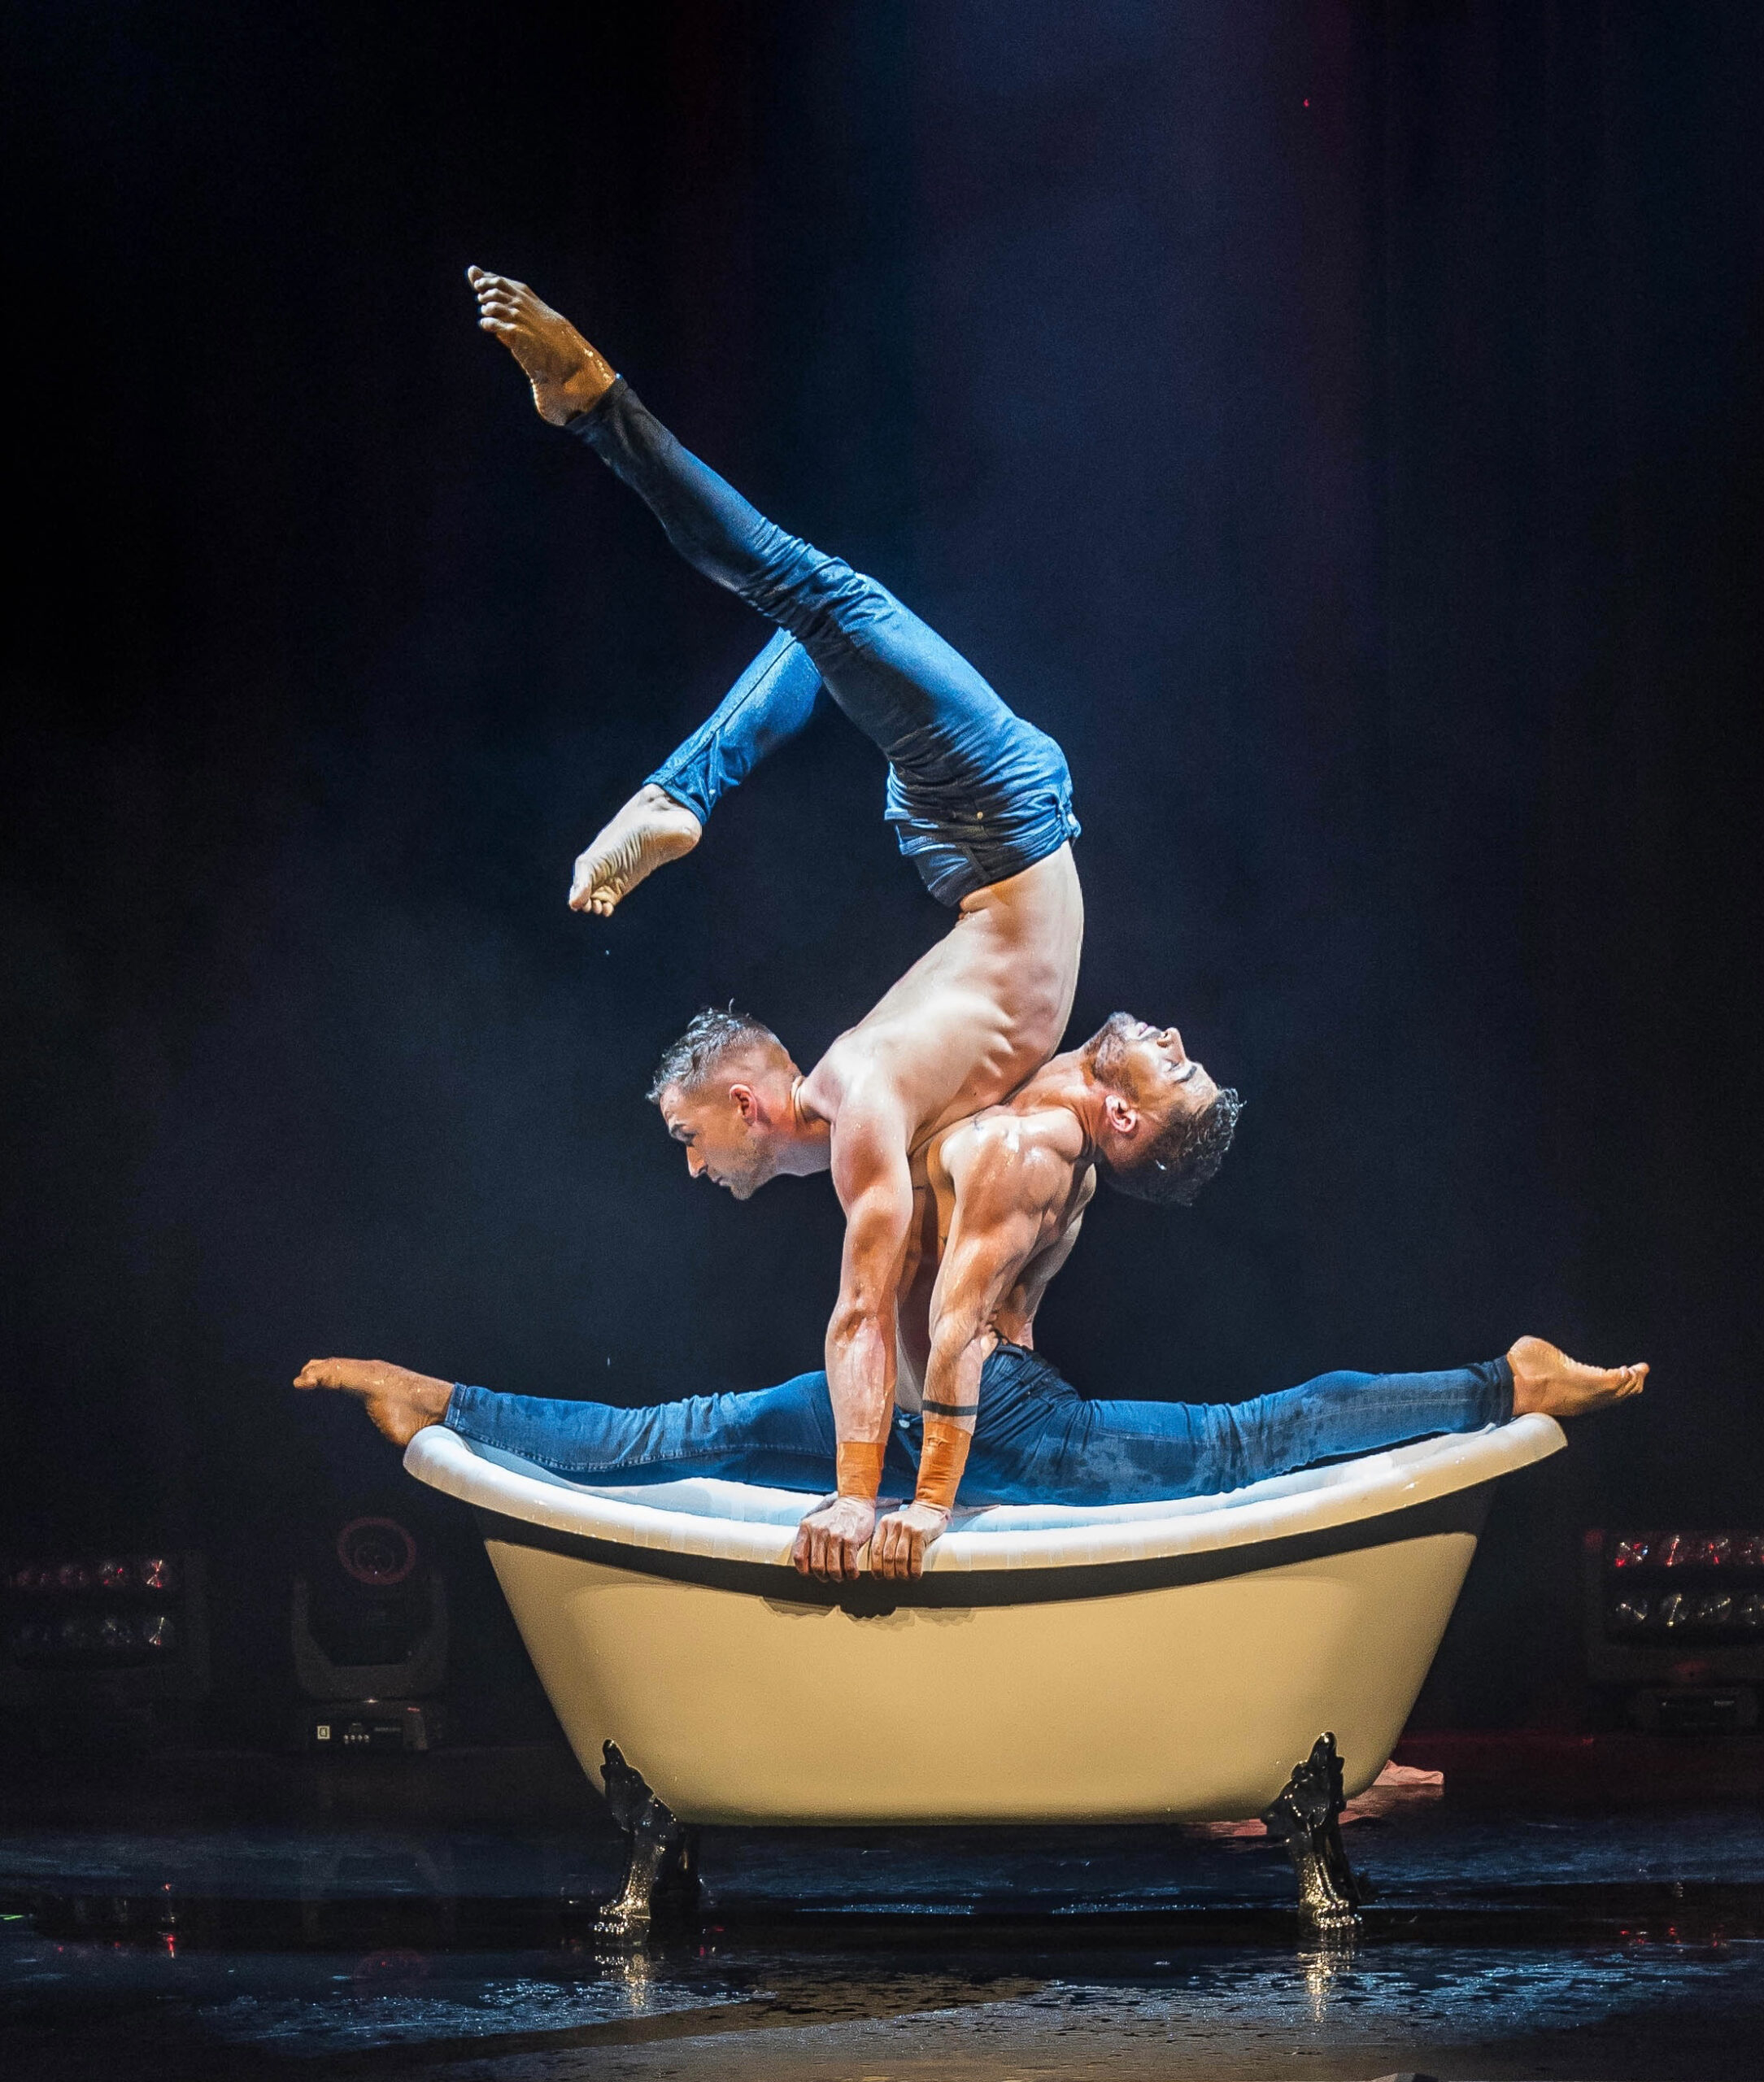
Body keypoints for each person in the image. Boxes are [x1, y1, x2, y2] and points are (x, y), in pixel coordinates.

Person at [464, 266, 1236, 1579]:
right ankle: (598, 427)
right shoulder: (960, 1111)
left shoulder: (885, 1111)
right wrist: (888, 1487)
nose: (692, 1170)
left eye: (686, 1144)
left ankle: (666, 734)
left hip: (981, 827)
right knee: (813, 612)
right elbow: (904, 1308)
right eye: (689, 1140)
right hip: (983, 827)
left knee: (817, 606)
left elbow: (870, 1309)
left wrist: (865, 1497)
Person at [297, 1013, 1646, 1581]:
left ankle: (1502, 1382)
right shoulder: (1023, 1078)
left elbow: (948, 1330)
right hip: (918, 1402)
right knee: (677, 1430)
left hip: (987, 1415)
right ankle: (439, 1400)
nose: (1170, 1036)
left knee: (1246, 1443)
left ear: (1123, 1115)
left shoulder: (1029, 1143)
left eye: (1172, 1067)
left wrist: (922, 1508)